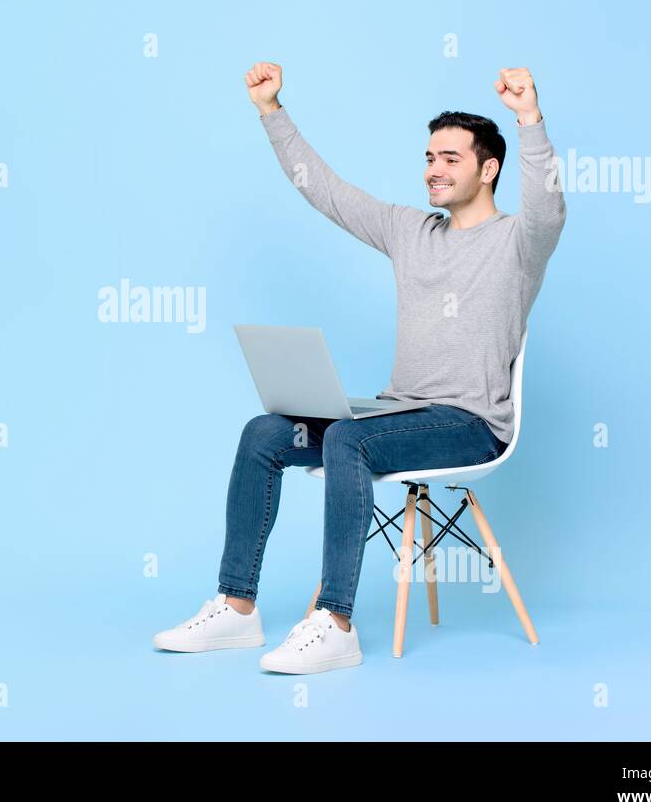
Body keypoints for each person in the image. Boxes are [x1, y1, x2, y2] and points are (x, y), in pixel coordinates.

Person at [153, 62, 566, 674]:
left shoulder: (518, 243)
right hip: (398, 415)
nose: (434, 168)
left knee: (348, 439)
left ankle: (335, 622)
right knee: (264, 434)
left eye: (451, 158)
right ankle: (237, 610)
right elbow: (323, 189)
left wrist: (529, 119)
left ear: (489, 169)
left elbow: (550, 208)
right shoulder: (410, 231)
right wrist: (272, 111)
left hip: (470, 424)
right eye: (430, 156)